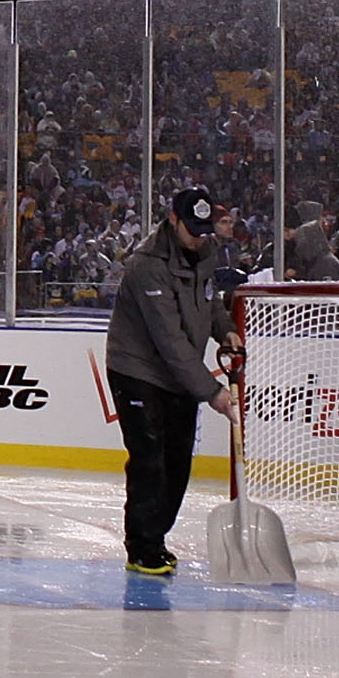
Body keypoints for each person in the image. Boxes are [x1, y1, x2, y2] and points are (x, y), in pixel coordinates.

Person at [104, 188, 237, 577]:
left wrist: (225, 330)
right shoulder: (147, 266)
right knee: (150, 459)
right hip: (138, 370)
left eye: (205, 230)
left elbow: (209, 301)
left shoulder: (206, 251)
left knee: (177, 463)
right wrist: (214, 393)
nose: (199, 237)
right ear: (173, 220)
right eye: (192, 230)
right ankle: (142, 547)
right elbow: (170, 340)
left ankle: (157, 537)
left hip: (180, 376)